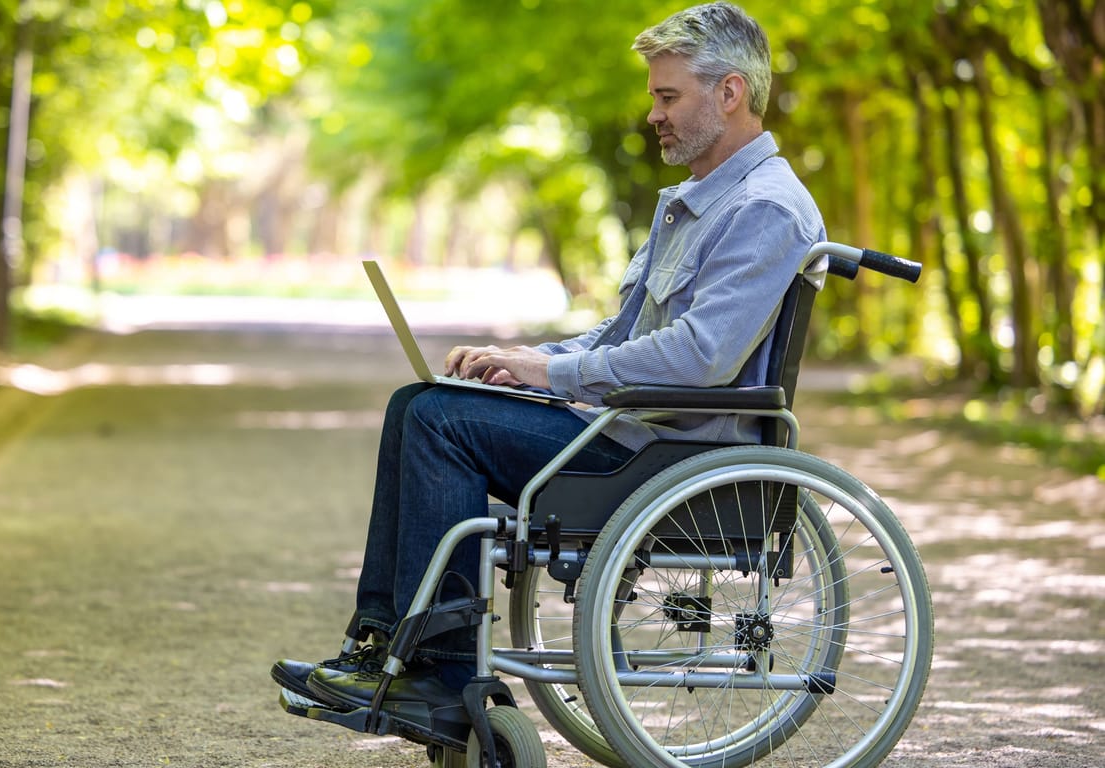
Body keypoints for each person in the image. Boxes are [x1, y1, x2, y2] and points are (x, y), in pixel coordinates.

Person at [272, 1, 825, 715]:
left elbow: (701, 359)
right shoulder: (694, 201)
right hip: (631, 434)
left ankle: (437, 675)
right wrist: (528, 360)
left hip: (669, 458)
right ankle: (381, 647)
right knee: (421, 403)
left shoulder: (764, 209)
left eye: (667, 96)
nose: (653, 114)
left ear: (729, 93)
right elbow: (625, 332)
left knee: (438, 421)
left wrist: (552, 375)